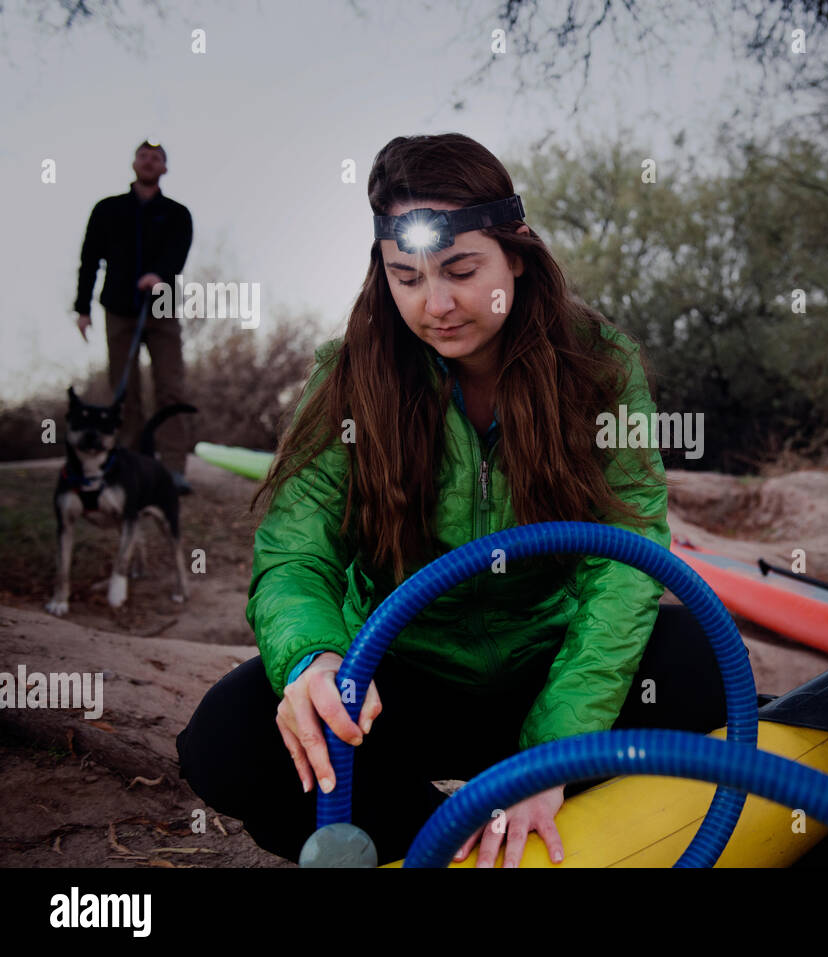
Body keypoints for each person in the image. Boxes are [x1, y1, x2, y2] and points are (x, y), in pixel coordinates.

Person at [175, 133, 729, 867]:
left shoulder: (599, 362)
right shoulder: (346, 376)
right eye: (406, 277)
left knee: (696, 661)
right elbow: (295, 553)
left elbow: (627, 557)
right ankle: (440, 838)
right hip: (402, 676)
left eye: (461, 270)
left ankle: (561, 823)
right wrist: (311, 658)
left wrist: (549, 757)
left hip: (549, 665)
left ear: (517, 255)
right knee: (228, 736)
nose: (436, 304)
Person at [74, 140, 195, 493]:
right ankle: (130, 467)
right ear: (133, 163)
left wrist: (159, 274)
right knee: (124, 391)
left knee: (170, 388)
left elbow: (178, 253)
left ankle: (173, 470)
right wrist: (82, 308)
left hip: (162, 305)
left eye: (157, 157)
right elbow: (89, 259)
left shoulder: (177, 213)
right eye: (144, 155)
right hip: (118, 308)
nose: (149, 161)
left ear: (165, 168)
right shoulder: (107, 209)